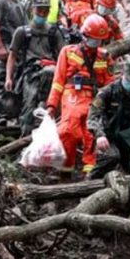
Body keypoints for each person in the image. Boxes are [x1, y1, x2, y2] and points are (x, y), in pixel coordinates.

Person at [46, 14, 115, 176]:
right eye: (94, 39)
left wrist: (110, 105)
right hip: (72, 95)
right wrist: (51, 105)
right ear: (84, 35)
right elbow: (58, 81)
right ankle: (65, 167)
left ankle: (89, 171)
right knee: (68, 129)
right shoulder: (68, 52)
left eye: (99, 41)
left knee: (91, 132)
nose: (96, 44)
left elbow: (109, 83)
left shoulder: (104, 56)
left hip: (94, 96)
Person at [5, 0, 66, 135]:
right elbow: (12, 56)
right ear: (33, 10)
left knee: (53, 105)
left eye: (45, 11)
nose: (42, 14)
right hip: (30, 74)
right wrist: (9, 78)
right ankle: (24, 140)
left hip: (51, 74)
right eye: (39, 10)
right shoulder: (22, 32)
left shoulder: (53, 32)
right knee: (29, 107)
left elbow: (63, 55)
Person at [86, 57, 130, 179]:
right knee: (111, 157)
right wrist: (99, 135)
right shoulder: (107, 92)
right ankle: (90, 183)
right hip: (108, 137)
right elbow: (93, 116)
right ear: (122, 74)